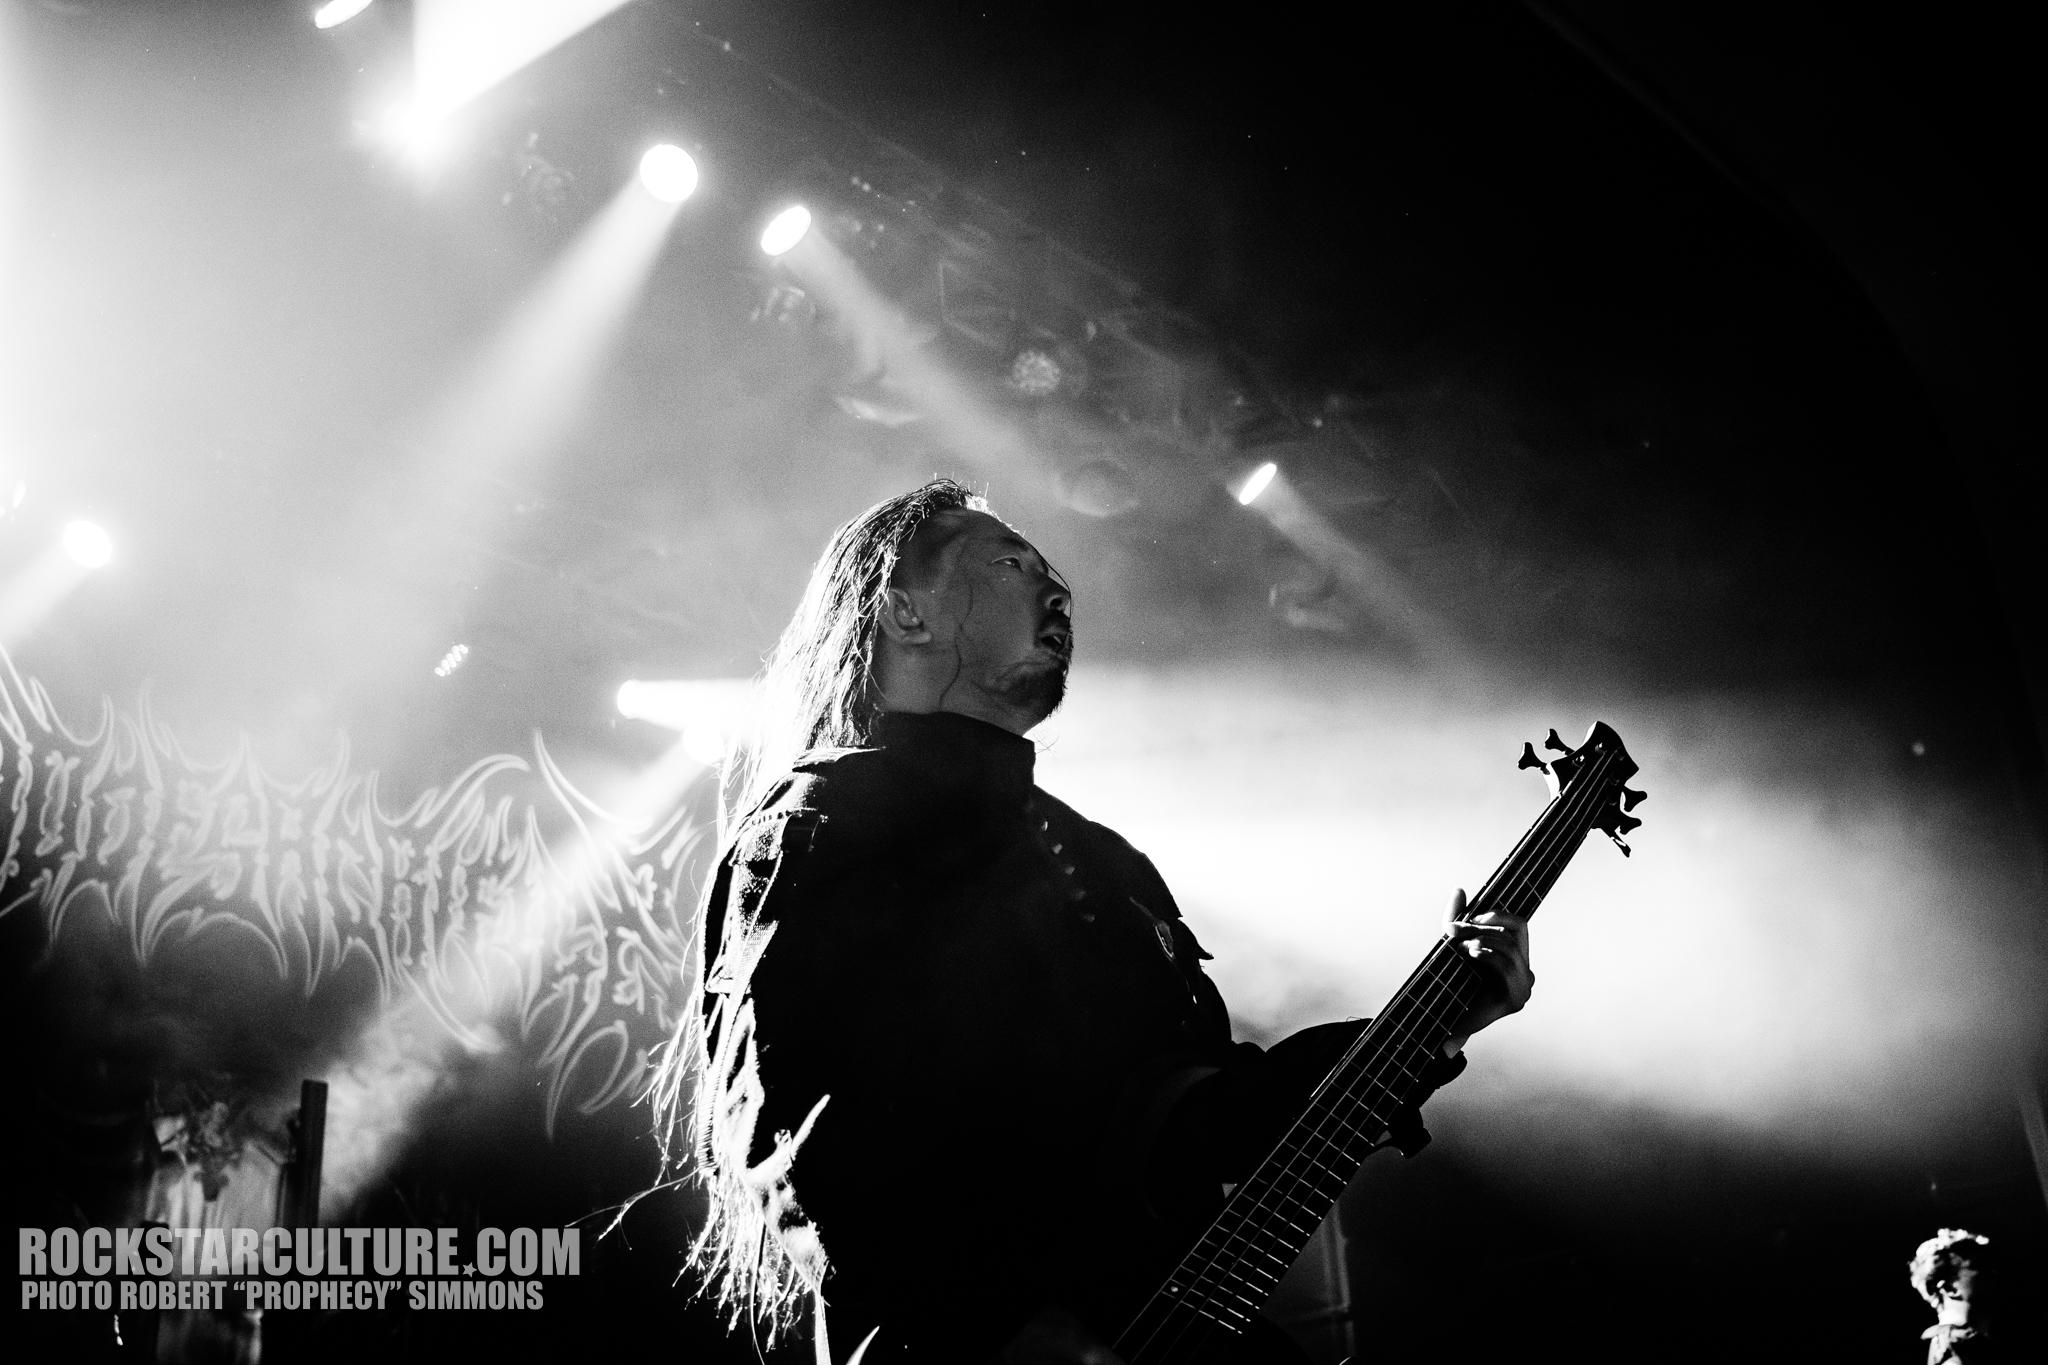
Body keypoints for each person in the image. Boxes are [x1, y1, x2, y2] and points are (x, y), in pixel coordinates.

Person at [655, 478, 1533, 1363]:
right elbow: (792, 1125)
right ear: (904, 612)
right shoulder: (824, 822)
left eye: (1052, 571)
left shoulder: (1108, 862)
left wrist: (1434, 1024)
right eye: (1011, 564)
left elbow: (1207, 1124)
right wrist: (997, 1329)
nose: (1058, 590)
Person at [1909, 1228, 2000, 1364]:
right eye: (1981, 1267)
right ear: (1949, 1288)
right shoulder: (1954, 1354)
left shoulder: (1976, 1349)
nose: (1994, 1274)